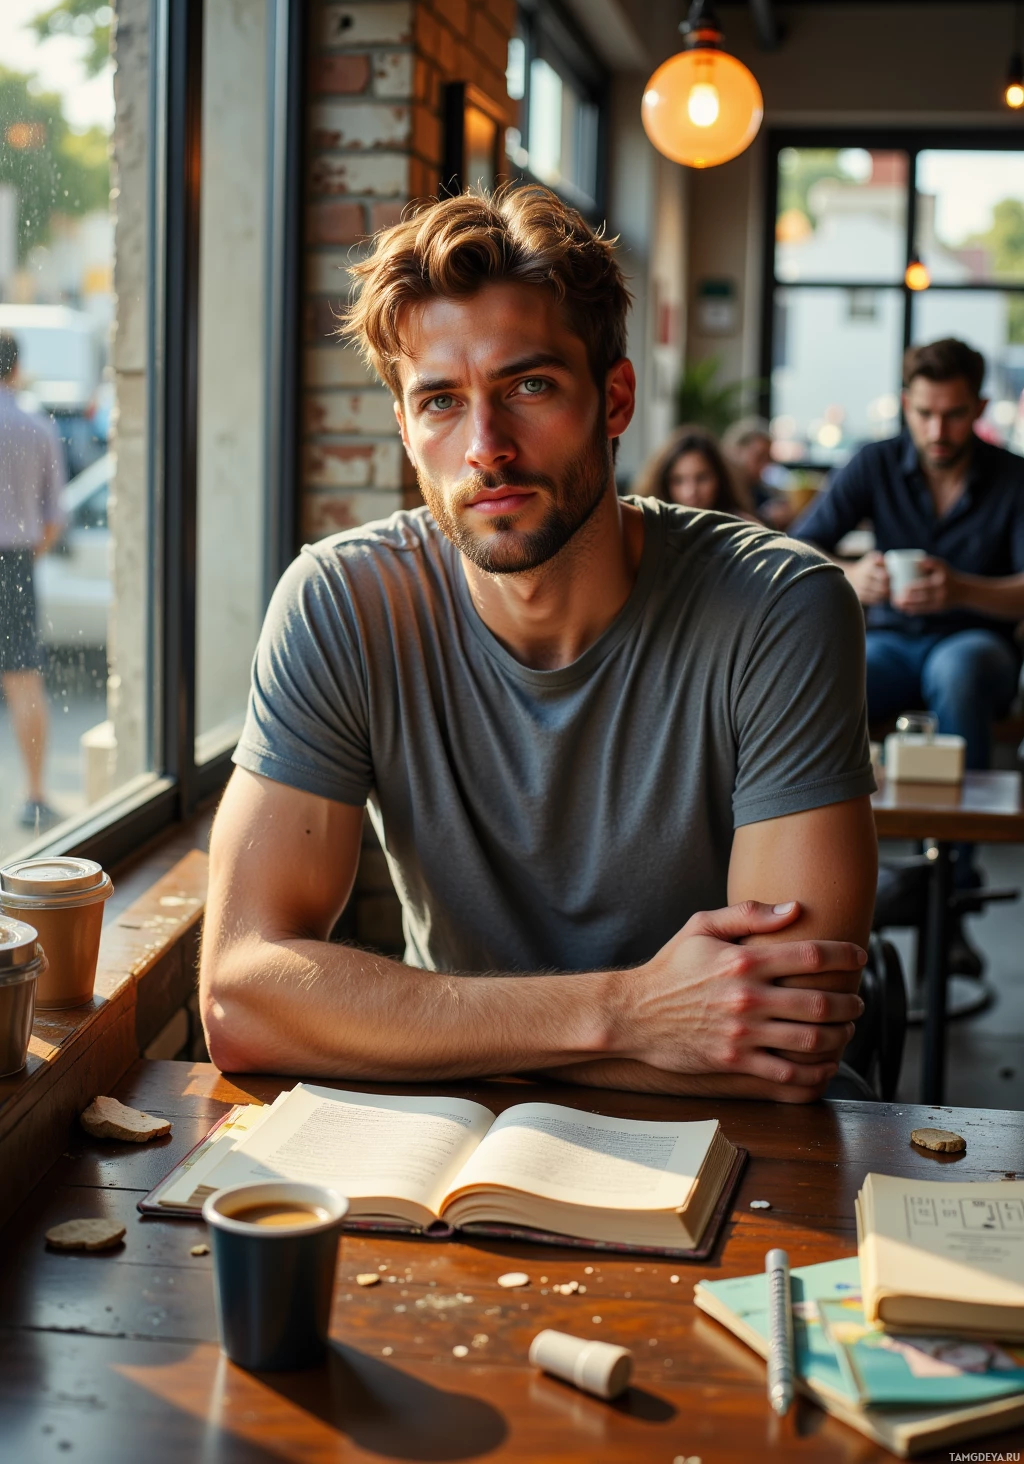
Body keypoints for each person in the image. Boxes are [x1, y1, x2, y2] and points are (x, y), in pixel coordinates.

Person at [200, 185, 877, 1103]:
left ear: (615, 397)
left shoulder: (777, 607)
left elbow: (783, 1040)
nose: (486, 445)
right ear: (405, 429)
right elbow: (243, 1000)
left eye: (529, 386)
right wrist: (632, 1012)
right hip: (452, 1147)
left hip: (737, 1155)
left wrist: (412, 1028)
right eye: (440, 401)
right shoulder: (341, 603)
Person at [794, 337, 1024, 970]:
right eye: (924, 413)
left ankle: (951, 894)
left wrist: (962, 588)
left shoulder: (1012, 477)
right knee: (840, 673)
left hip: (978, 647)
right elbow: (795, 549)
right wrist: (849, 572)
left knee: (960, 669)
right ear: (906, 404)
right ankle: (828, 880)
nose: (937, 429)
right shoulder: (875, 463)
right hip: (893, 644)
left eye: (952, 414)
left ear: (977, 406)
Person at [0, 330, 66, 832]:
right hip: (16, 563)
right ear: (16, 369)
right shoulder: (36, 426)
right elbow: (53, 520)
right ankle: (37, 793)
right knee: (25, 684)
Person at [633, 427, 747, 515]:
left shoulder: (743, 529)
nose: (691, 492)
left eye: (702, 478)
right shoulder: (647, 530)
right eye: (678, 480)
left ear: (721, 478)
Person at [721, 416, 794, 527]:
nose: (766, 465)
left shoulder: (760, 491)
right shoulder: (721, 490)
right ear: (736, 451)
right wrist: (767, 519)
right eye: (759, 457)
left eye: (768, 458)